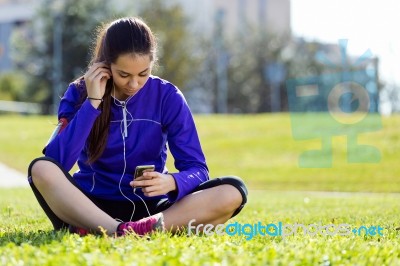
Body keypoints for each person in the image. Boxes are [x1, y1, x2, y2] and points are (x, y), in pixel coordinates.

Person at [27, 17, 248, 237]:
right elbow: (57, 163)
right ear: (106, 65)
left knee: (232, 191)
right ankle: (116, 229)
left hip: (152, 209)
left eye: (143, 74)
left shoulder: (168, 96)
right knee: (40, 169)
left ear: (153, 63)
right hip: (89, 206)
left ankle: (131, 230)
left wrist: (172, 181)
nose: (134, 84)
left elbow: (198, 170)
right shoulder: (78, 93)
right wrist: (92, 102)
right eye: (124, 74)